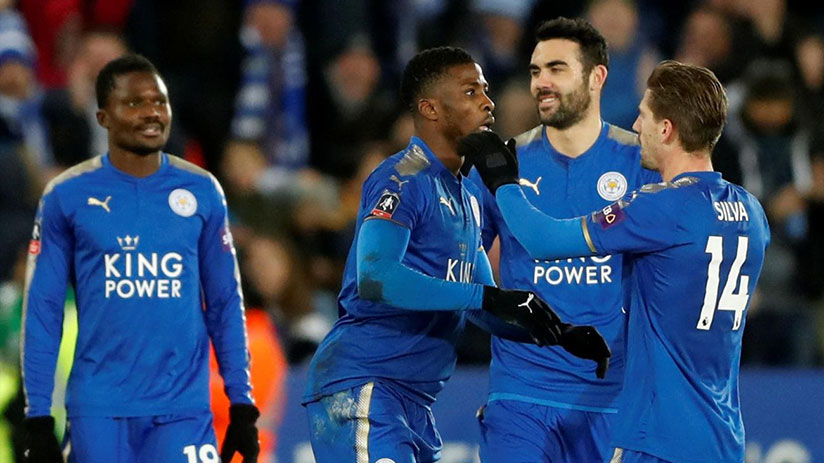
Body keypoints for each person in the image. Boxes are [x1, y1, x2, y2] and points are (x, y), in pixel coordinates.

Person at [302, 46, 610, 463]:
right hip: (366, 384)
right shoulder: (402, 177)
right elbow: (375, 277)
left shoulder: (466, 193)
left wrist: (559, 333)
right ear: (430, 108)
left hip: (413, 401)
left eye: (485, 90)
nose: (488, 101)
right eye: (470, 92)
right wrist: (485, 297)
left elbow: (483, 304)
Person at [462, 60, 770, 463]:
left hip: (658, 436)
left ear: (667, 129)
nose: (637, 127)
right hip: (723, 438)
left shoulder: (662, 208)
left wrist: (502, 180)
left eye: (644, 116)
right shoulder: (751, 212)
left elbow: (542, 240)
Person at [21, 54, 260, 463]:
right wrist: (38, 416)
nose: (151, 112)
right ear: (103, 117)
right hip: (99, 412)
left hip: (182, 411)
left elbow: (224, 304)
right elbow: (43, 311)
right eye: (134, 103)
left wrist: (241, 404)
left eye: (159, 102)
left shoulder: (202, 191)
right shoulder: (66, 196)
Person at [467, 17, 660, 463]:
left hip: (613, 396)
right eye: (535, 71)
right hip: (521, 393)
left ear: (597, 77)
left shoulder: (641, 163)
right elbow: (462, 260)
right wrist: (493, 308)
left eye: (556, 69)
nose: (541, 83)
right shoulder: (502, 163)